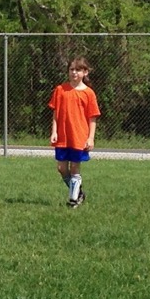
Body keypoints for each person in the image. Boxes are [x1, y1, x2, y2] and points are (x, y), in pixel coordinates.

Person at [48, 57, 100, 207]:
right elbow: (56, 113)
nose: (74, 73)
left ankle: (73, 200)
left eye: (78, 70)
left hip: (79, 136)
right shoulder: (60, 90)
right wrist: (54, 131)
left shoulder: (89, 93)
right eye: (72, 69)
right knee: (62, 168)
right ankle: (79, 192)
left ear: (85, 72)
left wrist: (90, 138)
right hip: (63, 136)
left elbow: (92, 118)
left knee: (75, 167)